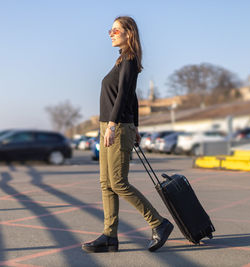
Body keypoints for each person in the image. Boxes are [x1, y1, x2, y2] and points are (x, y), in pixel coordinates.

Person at [82, 16, 174, 253]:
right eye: (110, 30)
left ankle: (159, 223)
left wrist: (115, 125)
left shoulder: (130, 60)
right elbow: (132, 97)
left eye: (115, 30)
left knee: (119, 183)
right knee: (106, 184)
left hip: (116, 126)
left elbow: (124, 94)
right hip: (113, 125)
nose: (111, 34)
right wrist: (136, 126)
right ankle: (109, 236)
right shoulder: (121, 60)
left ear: (128, 33)